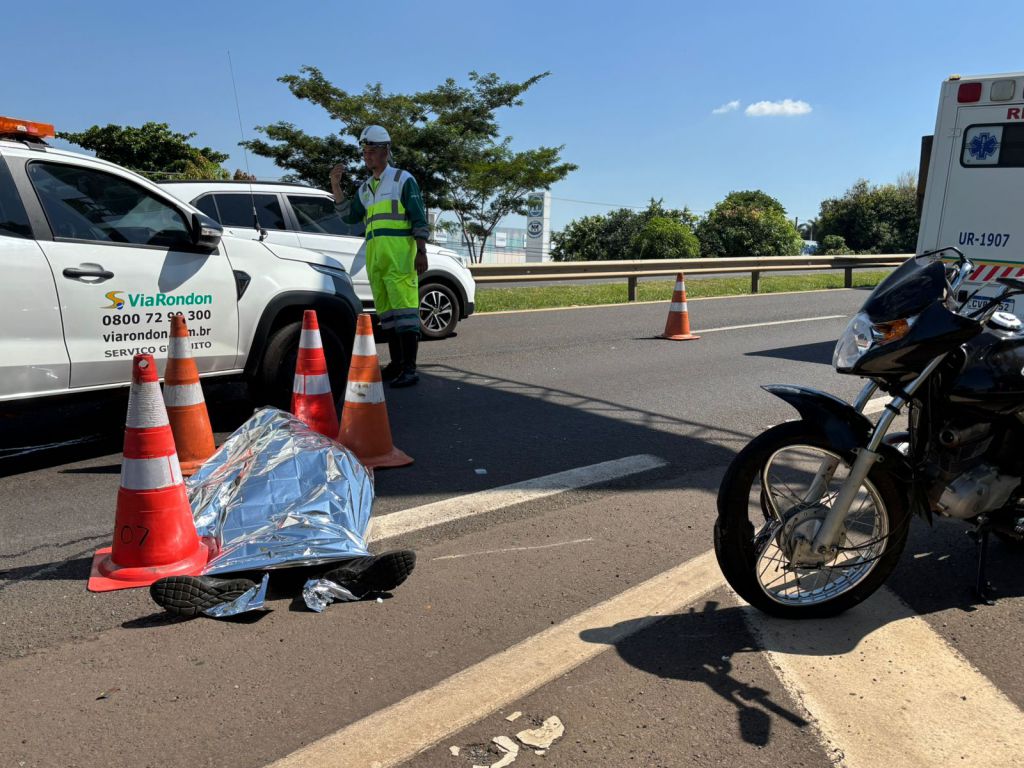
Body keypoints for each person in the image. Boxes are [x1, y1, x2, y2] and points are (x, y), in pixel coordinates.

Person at [330, 125, 429, 388]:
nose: (367, 155)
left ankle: (409, 369)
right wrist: (335, 186)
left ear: (386, 150)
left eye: (372, 150)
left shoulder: (402, 180)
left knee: (406, 314)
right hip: (377, 262)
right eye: (364, 151)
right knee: (388, 317)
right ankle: (396, 365)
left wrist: (421, 252)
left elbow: (419, 218)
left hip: (400, 260)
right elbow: (349, 217)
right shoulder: (365, 189)